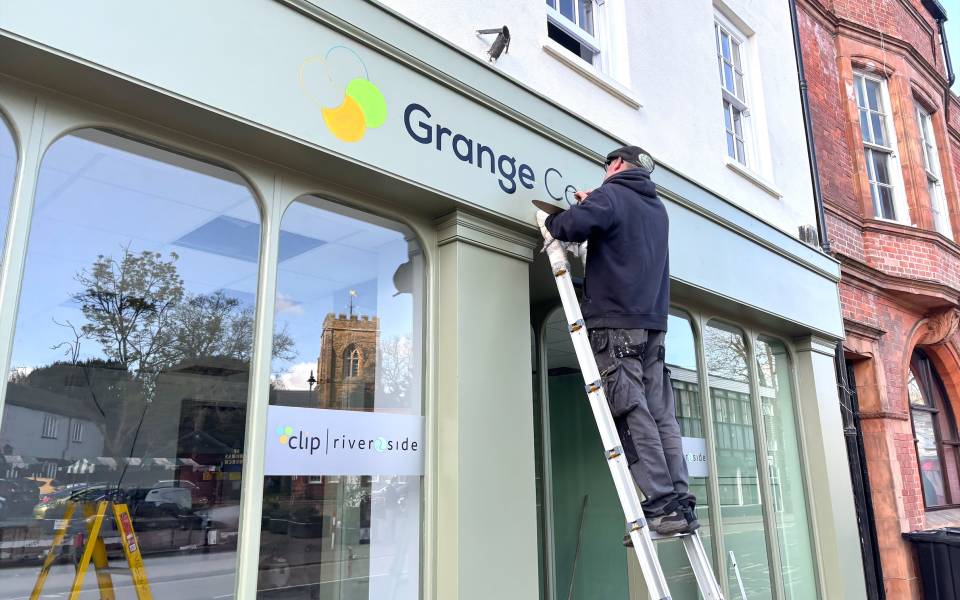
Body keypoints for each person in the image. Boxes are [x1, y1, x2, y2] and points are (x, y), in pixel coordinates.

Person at [535, 145, 697, 539]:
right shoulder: (656, 210)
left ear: (617, 165)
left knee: (629, 409)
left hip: (616, 323)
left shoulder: (612, 194)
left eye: (606, 166)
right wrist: (597, 203)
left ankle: (660, 506)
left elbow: (569, 227)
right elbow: (618, 231)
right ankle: (679, 502)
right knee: (661, 415)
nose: (605, 172)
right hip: (652, 326)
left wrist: (561, 218)